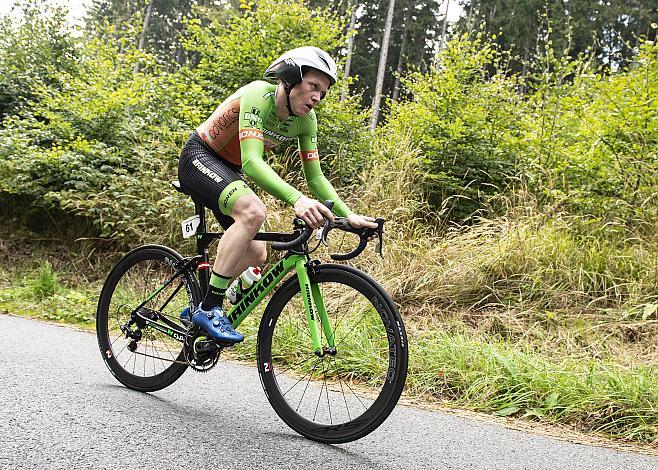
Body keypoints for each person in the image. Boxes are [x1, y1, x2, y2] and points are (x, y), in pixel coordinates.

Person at [177, 46, 377, 343]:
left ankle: (198, 304)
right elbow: (253, 163)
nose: (317, 98)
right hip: (200, 156)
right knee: (253, 212)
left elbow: (316, 176)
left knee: (257, 252)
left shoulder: (306, 122)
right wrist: (298, 199)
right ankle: (209, 308)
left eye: (322, 93)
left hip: (228, 169)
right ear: (290, 79)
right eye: (313, 86)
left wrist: (347, 215)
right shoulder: (260, 95)